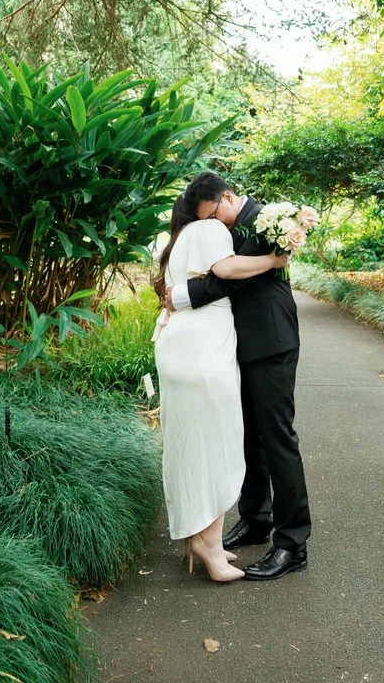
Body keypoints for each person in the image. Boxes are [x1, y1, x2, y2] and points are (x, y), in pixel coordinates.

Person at [167, 180, 312, 581]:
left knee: (278, 437)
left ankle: (292, 543)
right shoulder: (227, 226)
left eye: (213, 215)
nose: (212, 225)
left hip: (270, 341)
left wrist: (184, 294)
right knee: (247, 436)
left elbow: (232, 274)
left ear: (227, 197)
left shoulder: (269, 220)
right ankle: (256, 518)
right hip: (236, 346)